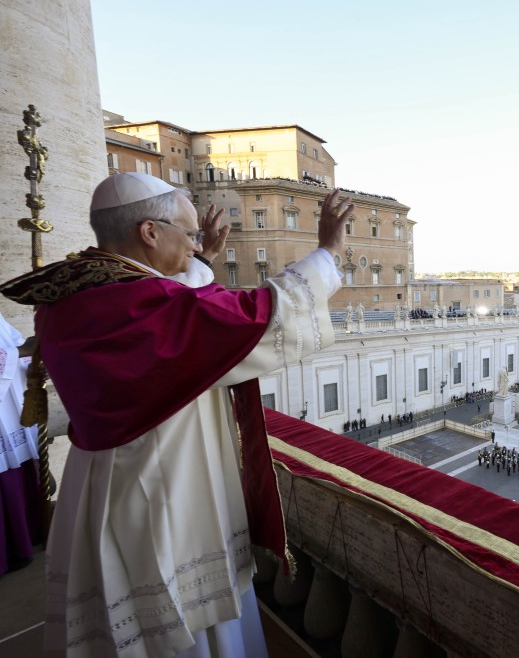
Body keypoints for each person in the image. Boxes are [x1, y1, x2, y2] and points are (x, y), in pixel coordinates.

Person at [0, 173, 353, 657]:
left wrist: (201, 256)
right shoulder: (143, 305)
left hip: (104, 480)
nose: (193, 246)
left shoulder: (77, 292)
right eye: (187, 236)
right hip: (161, 485)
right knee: (182, 619)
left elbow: (175, 299)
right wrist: (327, 253)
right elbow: (255, 313)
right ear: (149, 232)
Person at [0, 313, 40, 576]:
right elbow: (17, 347)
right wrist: (23, 350)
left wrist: (31, 363)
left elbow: (13, 341)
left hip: (11, 409)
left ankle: (27, 538)